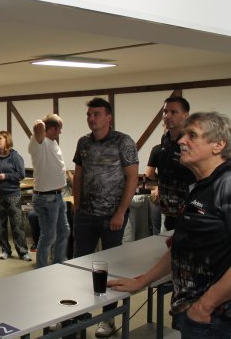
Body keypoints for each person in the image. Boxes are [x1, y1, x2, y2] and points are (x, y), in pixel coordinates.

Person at [110, 112, 231, 338]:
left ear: (218, 145)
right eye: (183, 135)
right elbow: (181, 247)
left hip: (215, 319)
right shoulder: (200, 187)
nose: (181, 141)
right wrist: (142, 282)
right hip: (195, 312)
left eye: (192, 135)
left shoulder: (227, 184)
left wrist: (205, 305)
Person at [72, 97, 139, 337]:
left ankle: (108, 318)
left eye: (96, 114)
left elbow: (132, 177)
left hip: (112, 216)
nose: (91, 118)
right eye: (89, 115)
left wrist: (120, 212)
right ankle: (78, 314)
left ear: (108, 117)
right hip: (86, 215)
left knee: (110, 268)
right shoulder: (83, 143)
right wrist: (77, 206)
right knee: (79, 266)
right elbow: (78, 176)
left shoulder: (123, 141)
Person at [28, 115, 70, 268]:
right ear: (51, 129)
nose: (60, 132)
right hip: (46, 198)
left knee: (64, 232)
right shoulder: (39, 143)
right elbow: (38, 127)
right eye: (59, 129)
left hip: (57, 196)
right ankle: (41, 268)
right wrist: (43, 121)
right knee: (48, 236)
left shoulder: (52, 142)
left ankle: (58, 264)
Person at [0, 131, 31, 261]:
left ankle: (23, 252)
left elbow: (21, 174)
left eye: (0, 138)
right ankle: (5, 250)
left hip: (13, 195)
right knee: (1, 225)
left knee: (17, 225)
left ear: (7, 140)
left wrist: (5, 176)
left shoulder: (15, 156)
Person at [155, 96, 195, 231]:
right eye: (165, 111)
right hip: (169, 209)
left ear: (186, 115)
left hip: (189, 210)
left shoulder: (193, 139)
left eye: (174, 112)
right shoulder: (165, 138)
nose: (167, 116)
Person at [145, 144, 162, 235]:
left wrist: (160, 181)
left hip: (160, 193)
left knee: (157, 232)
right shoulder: (187, 147)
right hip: (184, 194)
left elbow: (149, 173)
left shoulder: (157, 149)